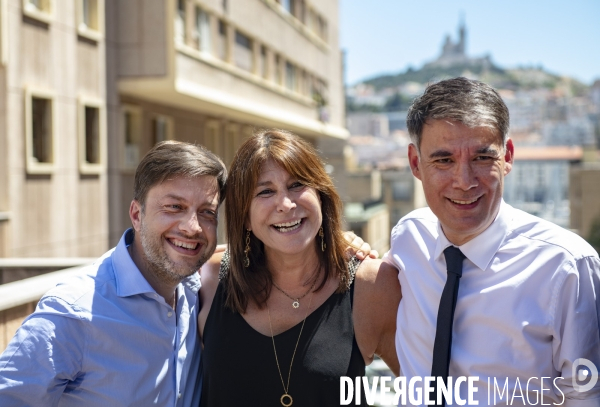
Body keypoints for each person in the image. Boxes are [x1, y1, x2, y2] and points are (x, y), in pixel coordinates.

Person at [384, 77, 600, 405]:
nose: (464, 181)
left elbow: (587, 396)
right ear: (416, 163)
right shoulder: (408, 236)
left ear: (508, 156)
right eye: (444, 160)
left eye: (482, 158)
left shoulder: (568, 267)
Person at [0, 141, 227, 406]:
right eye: (174, 207)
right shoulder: (73, 313)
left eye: (206, 212)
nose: (192, 227)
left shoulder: (195, 289)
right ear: (136, 214)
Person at [198, 129, 401, 406]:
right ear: (244, 217)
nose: (286, 204)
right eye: (266, 191)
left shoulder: (371, 283)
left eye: (297, 185)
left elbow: (427, 384)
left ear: (321, 196)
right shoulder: (206, 281)